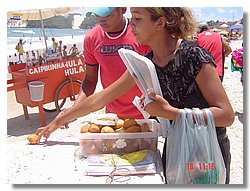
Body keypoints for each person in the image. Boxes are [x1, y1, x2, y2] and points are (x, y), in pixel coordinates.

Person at [36, 8, 234, 183]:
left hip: (207, 151)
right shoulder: (146, 63)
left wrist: (170, 112)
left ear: (160, 23)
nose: (131, 25)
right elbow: (101, 98)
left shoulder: (192, 56)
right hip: (176, 149)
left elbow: (227, 115)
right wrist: (58, 120)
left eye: (138, 18)